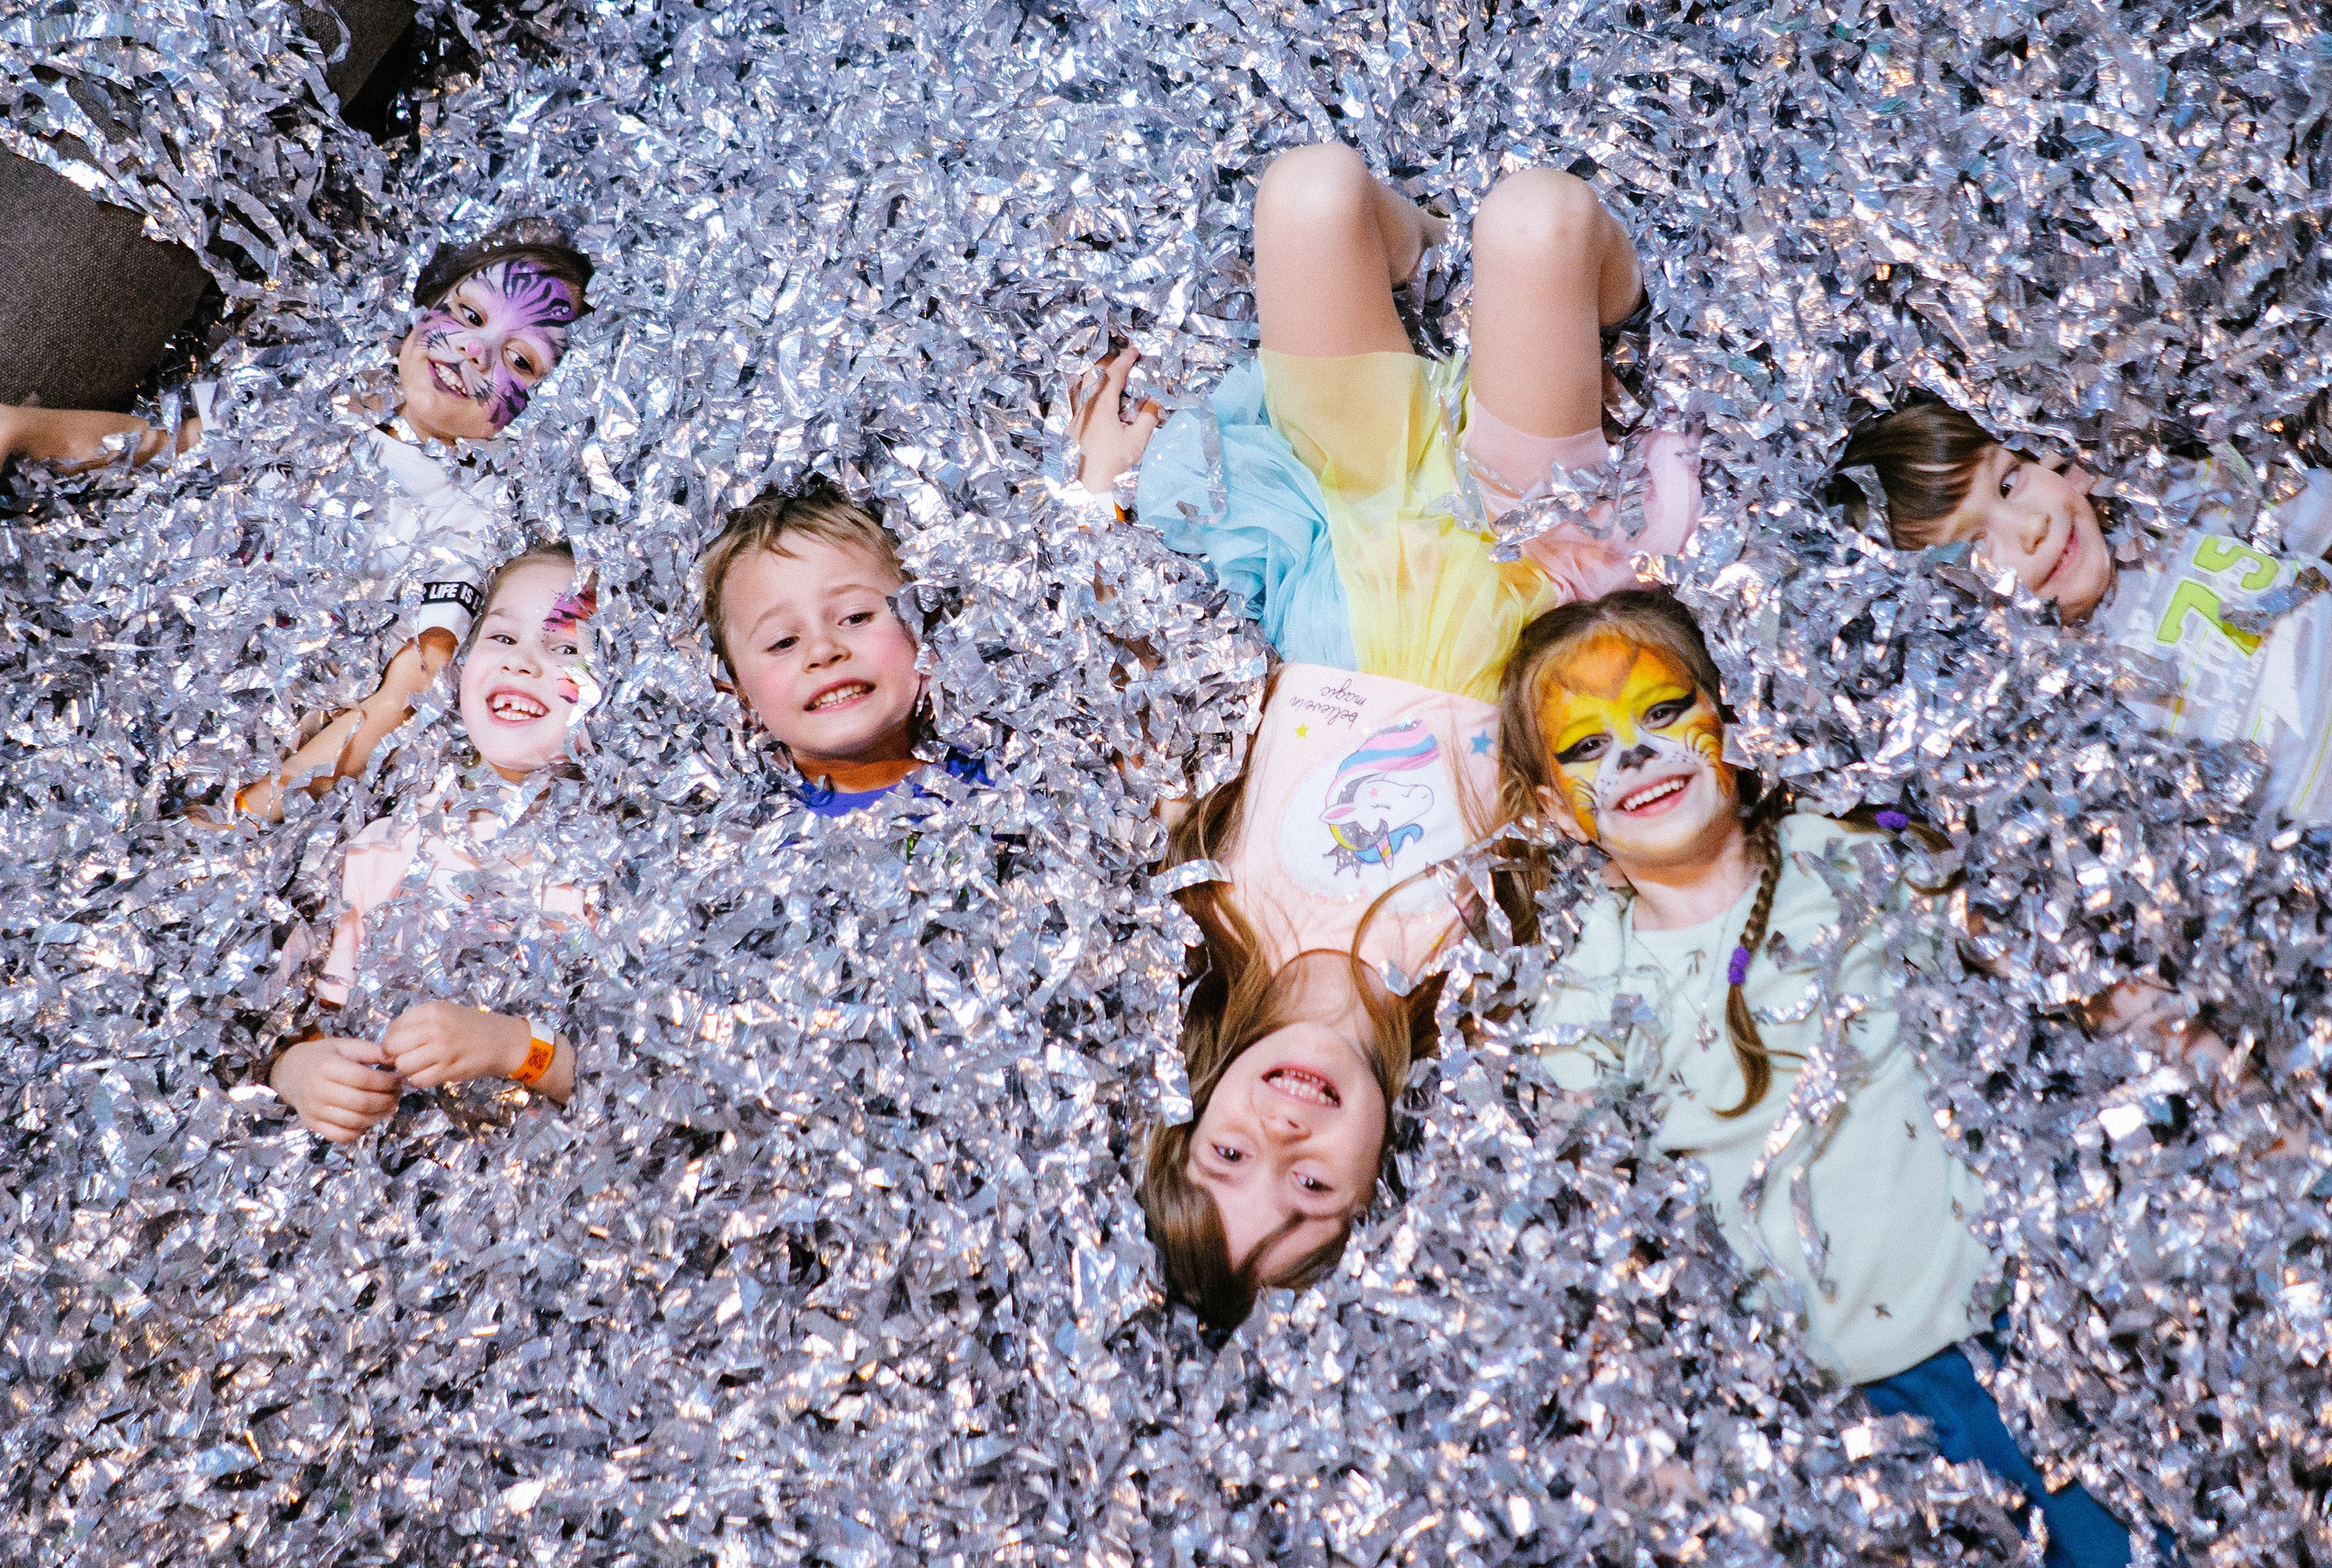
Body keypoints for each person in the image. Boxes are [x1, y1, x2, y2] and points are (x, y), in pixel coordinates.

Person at [1072, 141, 1704, 1329]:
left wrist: (1109, 488)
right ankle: (1602, 300)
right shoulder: (1468, 988)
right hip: (1518, 554)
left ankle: (1398, 246)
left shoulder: (1207, 910)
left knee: (1305, 190)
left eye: (1230, 1158)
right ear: (1377, 1175)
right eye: (1310, 1184)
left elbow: (1137, 695)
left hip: (1340, 530)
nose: (1280, 1133)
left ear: (1193, 1111)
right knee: (1534, 219)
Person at [1497, 587, 2201, 1568]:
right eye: (1585, 747)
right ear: (1552, 814)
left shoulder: (1843, 857)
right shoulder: (1589, 986)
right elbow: (1580, 1218)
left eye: (1662, 713)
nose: (1635, 757)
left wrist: (2197, 1049)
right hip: (1851, 1413)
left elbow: (2041, 967)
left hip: (2018, 1331)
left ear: (1725, 714)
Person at [0, 217, 597, 812]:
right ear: (427, 304)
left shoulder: (470, 515)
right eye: (469, 315)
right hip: (102, 607)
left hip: (207, 712)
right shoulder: (324, 384)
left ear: (544, 411)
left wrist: (263, 800)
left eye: (521, 362)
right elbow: (162, 444)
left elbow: (412, 682)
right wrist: (12, 427)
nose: (473, 350)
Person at [1831, 399, 2332, 823]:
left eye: (2008, 483)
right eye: (1973, 548)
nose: (2031, 527)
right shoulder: (2074, 714)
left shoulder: (2170, 500)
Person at [266, 543, 601, 1142]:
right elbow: (286, 1022)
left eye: (566, 648)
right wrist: (293, 1069)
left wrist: (508, 1044)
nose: (523, 662)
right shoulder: (379, 850)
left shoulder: (615, 873)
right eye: (501, 639)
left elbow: (633, 1078)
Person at [698, 478, 983, 817]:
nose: (823, 652)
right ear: (739, 688)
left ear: (921, 628)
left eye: (855, 617)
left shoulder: (1012, 784)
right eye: (783, 642)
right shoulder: (743, 842)